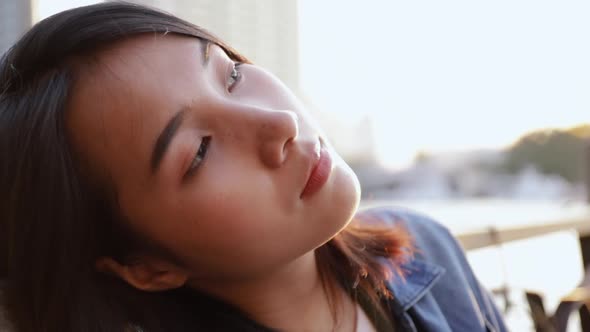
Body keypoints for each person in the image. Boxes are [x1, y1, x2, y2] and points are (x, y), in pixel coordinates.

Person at [0, 2, 507, 332]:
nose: (278, 122)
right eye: (199, 152)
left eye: (232, 75)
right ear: (146, 268)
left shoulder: (427, 250)